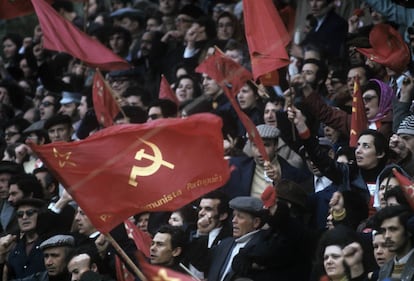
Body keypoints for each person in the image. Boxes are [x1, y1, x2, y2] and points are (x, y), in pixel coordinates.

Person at [221, 124, 311, 199]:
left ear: (276, 146)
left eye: (266, 145)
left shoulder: (293, 174)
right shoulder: (237, 167)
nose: (260, 151)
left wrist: (279, 182)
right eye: (255, 145)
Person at [206, 196, 268, 281]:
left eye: (240, 217)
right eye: (234, 216)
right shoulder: (224, 244)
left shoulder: (263, 249)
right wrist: (202, 233)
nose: (234, 220)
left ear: (256, 222)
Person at [373, 205, 414, 280]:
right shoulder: (384, 269)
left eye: (393, 229)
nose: (387, 236)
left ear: (408, 231)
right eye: (384, 230)